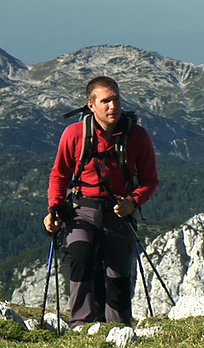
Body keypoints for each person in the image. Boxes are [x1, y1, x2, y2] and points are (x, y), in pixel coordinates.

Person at [43, 76, 158, 328]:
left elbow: (150, 180)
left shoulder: (136, 136)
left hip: (118, 214)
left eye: (115, 99)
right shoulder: (74, 134)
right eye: (105, 101)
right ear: (91, 105)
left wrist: (133, 202)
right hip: (81, 210)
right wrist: (54, 207)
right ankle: (81, 325)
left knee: (118, 276)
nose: (112, 106)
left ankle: (118, 329)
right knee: (80, 253)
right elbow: (59, 175)